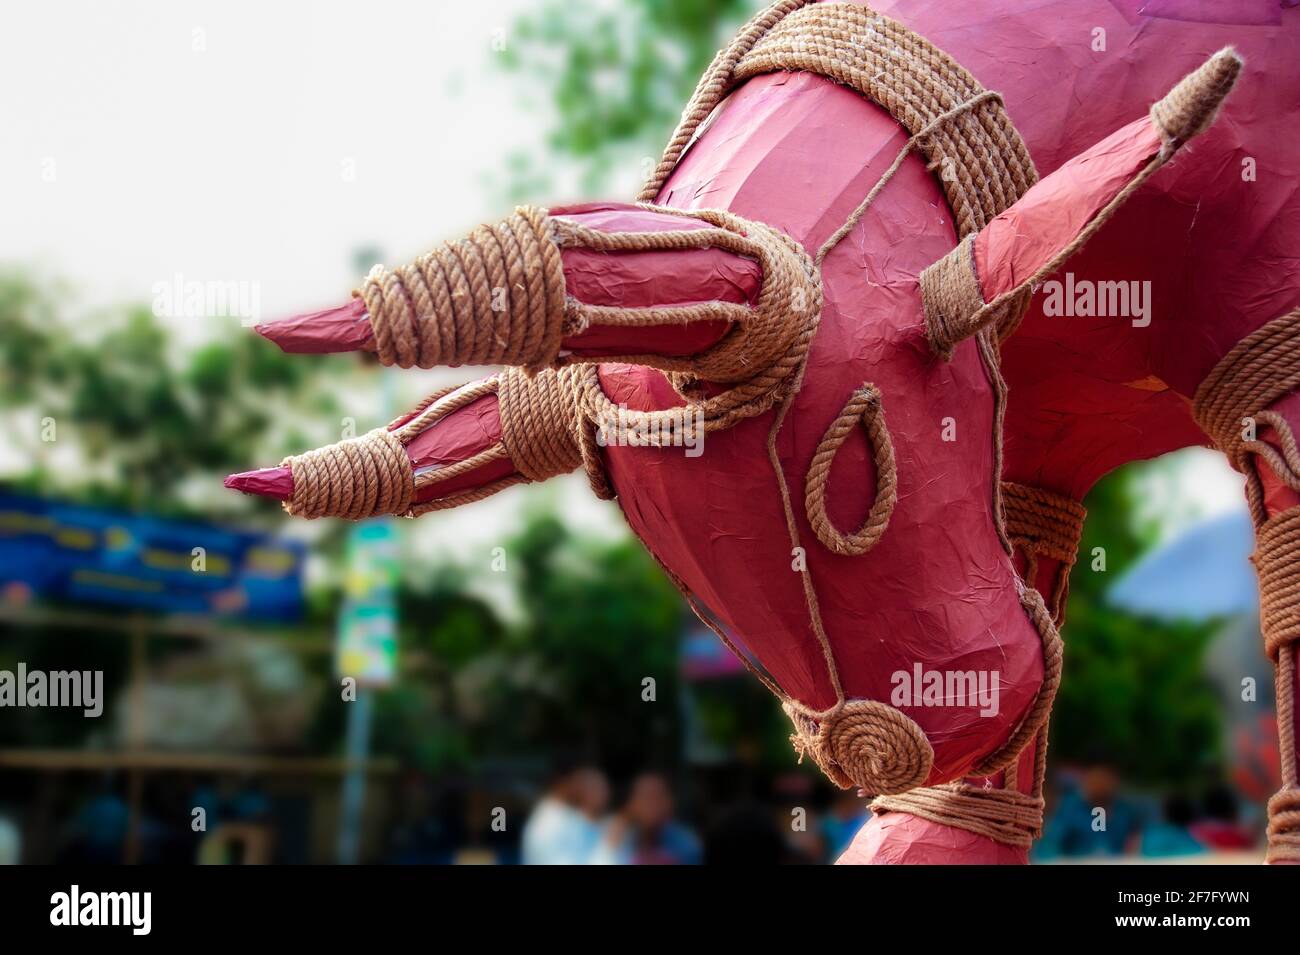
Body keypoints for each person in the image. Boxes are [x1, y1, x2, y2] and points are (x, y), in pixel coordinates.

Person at [592, 772, 700, 865]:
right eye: (645, 797)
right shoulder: (617, 834)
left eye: (658, 797)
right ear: (632, 803)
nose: (652, 805)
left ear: (670, 802)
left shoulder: (685, 844)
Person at [521, 758, 607, 865]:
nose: (587, 787)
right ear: (564, 781)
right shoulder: (547, 824)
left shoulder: (572, 816)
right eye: (584, 781)